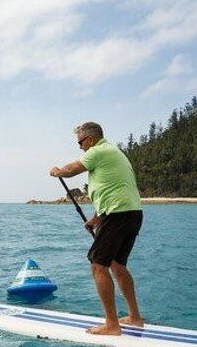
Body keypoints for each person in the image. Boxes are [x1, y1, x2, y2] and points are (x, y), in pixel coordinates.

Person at [49, 121, 144, 336]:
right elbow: (112, 191)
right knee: (117, 265)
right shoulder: (114, 153)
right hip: (131, 214)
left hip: (118, 215)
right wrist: (96, 220)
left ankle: (112, 325)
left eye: (80, 142)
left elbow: (71, 169)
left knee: (98, 265)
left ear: (90, 139)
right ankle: (135, 318)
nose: (80, 147)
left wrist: (57, 171)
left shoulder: (99, 150)